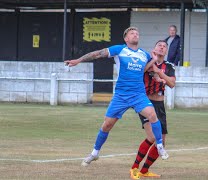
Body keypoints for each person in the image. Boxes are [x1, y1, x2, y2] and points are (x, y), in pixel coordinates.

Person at [64, 27, 169, 168]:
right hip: (121, 95)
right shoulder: (119, 50)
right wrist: (78, 60)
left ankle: (160, 146)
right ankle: (95, 153)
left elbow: (150, 70)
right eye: (132, 33)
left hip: (138, 94)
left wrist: (157, 76)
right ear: (126, 38)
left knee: (152, 115)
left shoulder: (144, 54)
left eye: (137, 33)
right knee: (107, 125)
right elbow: (97, 54)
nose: (135, 34)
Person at [129, 40, 176, 180]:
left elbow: (172, 83)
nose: (161, 48)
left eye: (164, 46)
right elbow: (140, 71)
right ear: (154, 48)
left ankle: (144, 170)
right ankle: (134, 168)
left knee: (161, 141)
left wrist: (159, 73)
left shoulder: (168, 66)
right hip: (145, 102)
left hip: (160, 105)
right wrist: (152, 66)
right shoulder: (146, 62)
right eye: (159, 46)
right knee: (153, 137)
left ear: (166, 51)